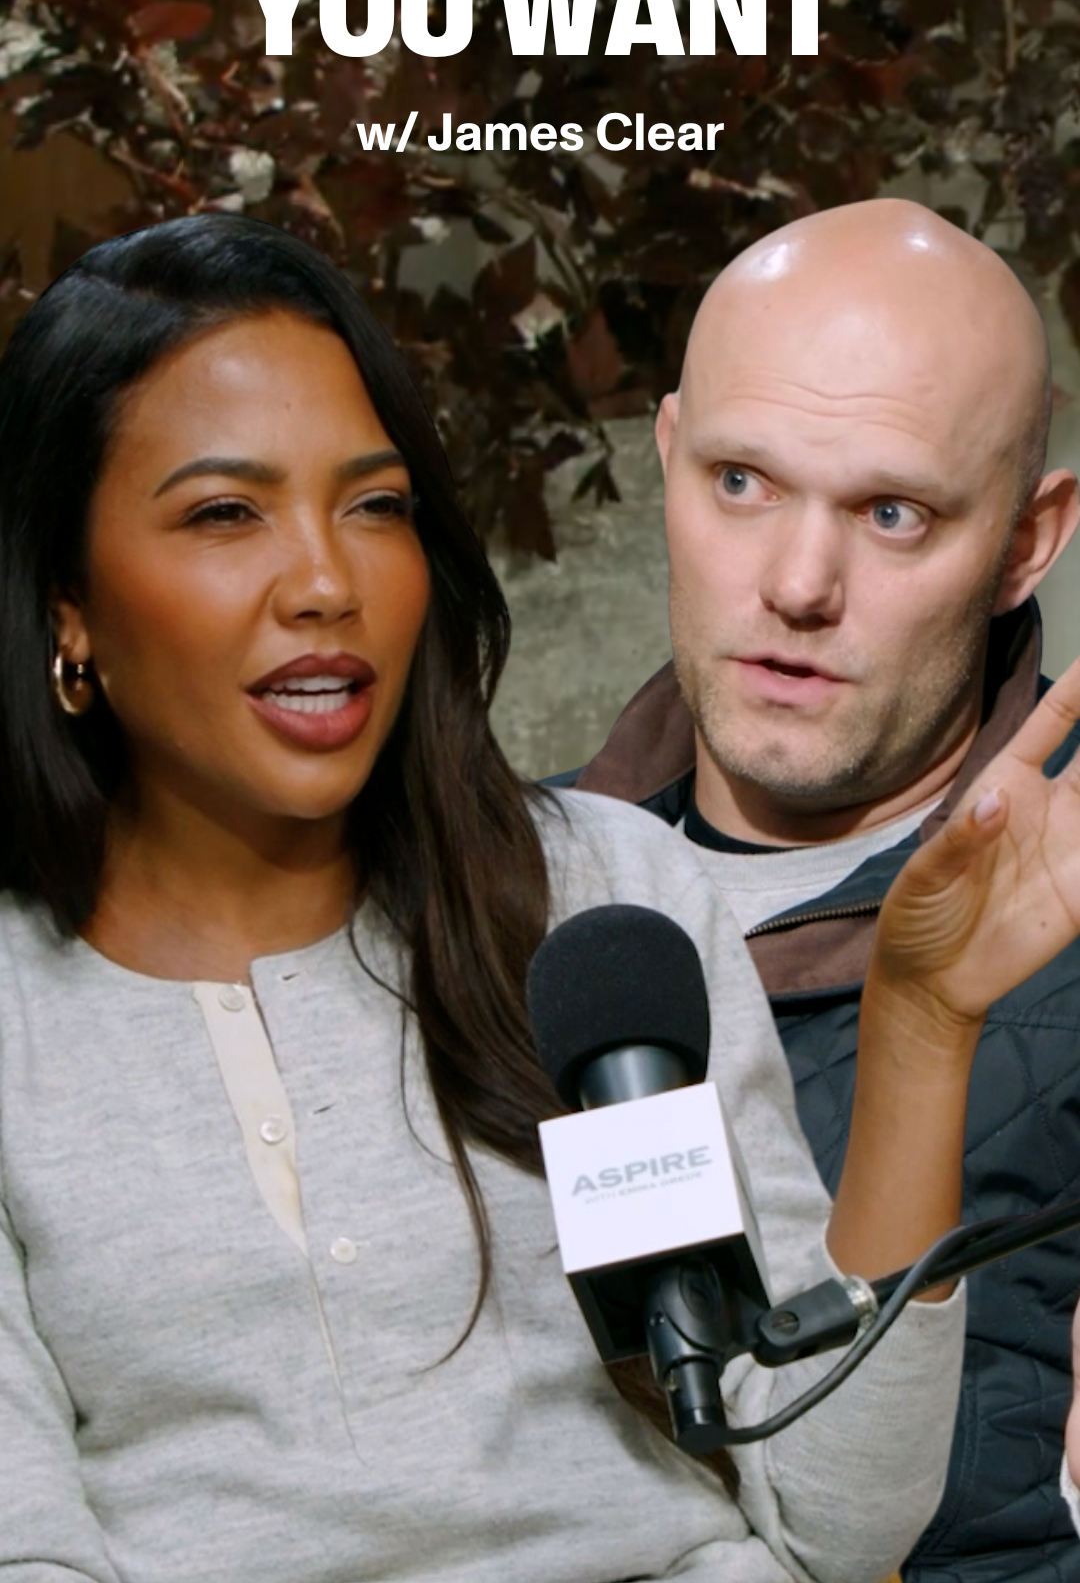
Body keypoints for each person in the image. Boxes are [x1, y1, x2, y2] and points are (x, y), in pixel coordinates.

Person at [1, 211, 1077, 1583]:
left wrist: (923, 1019)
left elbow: (841, 1514)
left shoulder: (604, 900)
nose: (326, 581)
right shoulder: (18, 1019)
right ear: (65, 603)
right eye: (226, 513)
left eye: (374, 505)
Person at [565, 196, 1080, 1581]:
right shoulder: (502, 898)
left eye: (893, 512)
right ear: (668, 458)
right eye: (741, 481)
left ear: (1029, 541)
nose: (798, 583)